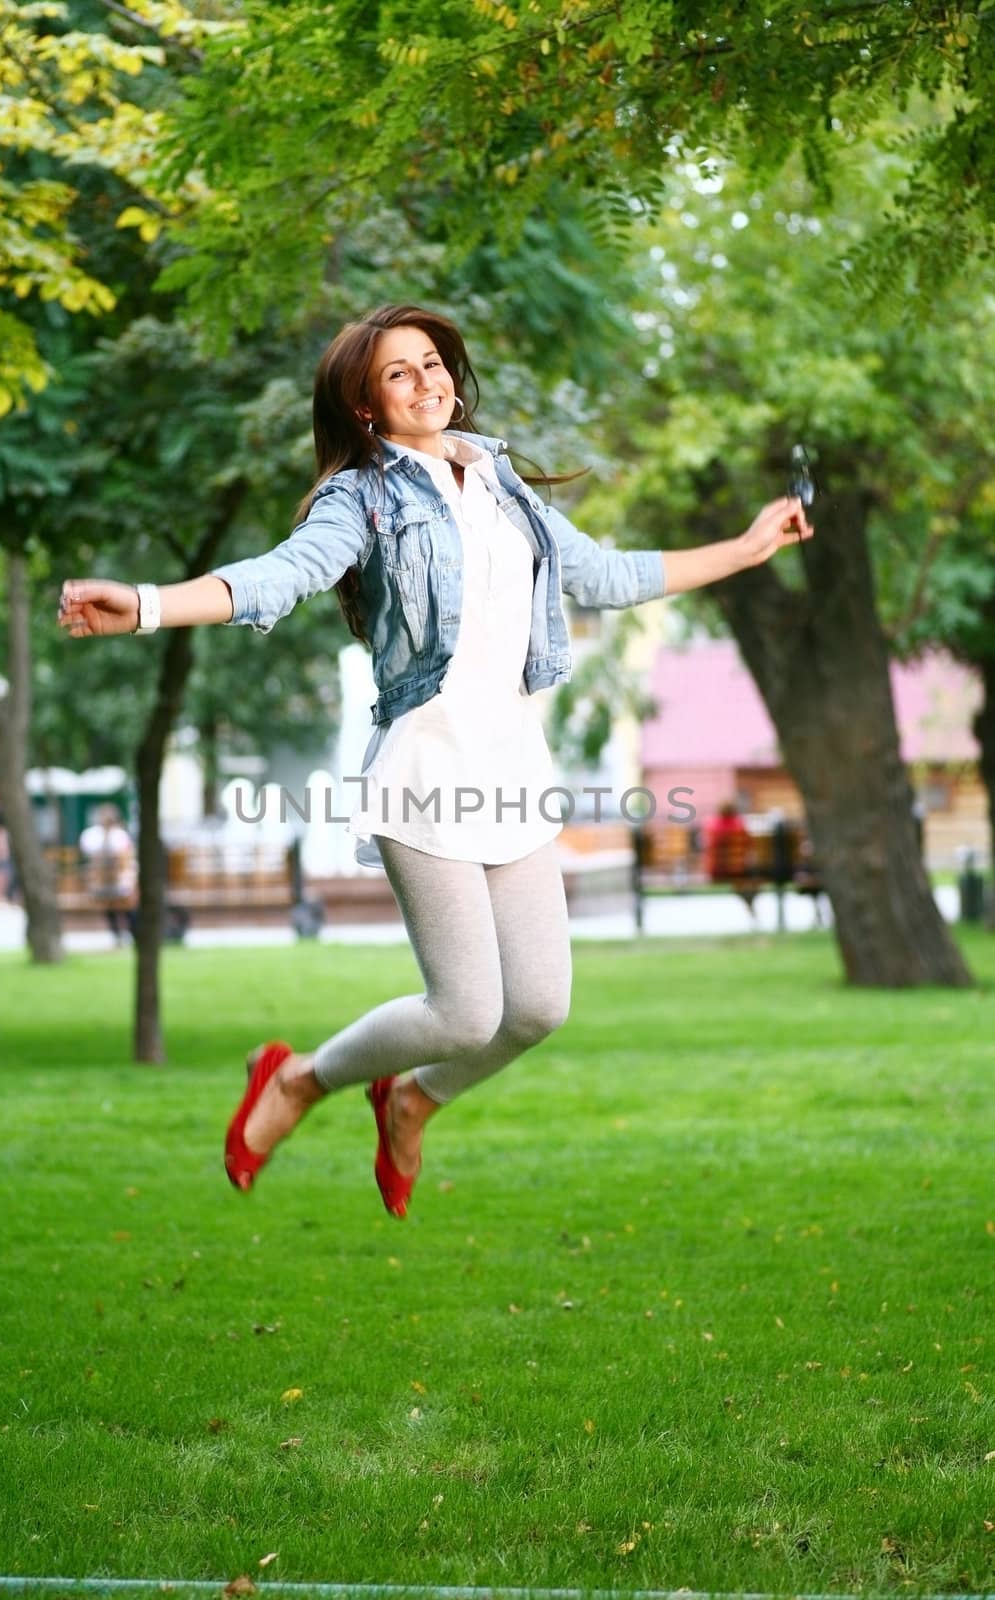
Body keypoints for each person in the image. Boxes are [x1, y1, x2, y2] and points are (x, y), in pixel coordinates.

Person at [57, 303, 813, 1217]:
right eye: (399, 374)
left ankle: (413, 1096)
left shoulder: (500, 482)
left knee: (535, 1009)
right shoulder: (361, 496)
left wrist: (747, 545)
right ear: (367, 407)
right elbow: (280, 574)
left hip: (513, 769)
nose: (428, 384)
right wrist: (142, 604)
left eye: (433, 364)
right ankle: (297, 1081)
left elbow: (603, 576)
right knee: (462, 1012)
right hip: (426, 771)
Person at [78, 802, 137, 944]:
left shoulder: (120, 834)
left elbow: (125, 855)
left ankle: (132, 931)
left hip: (119, 880)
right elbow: (91, 854)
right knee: (110, 903)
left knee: (127, 901)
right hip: (101, 880)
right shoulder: (91, 834)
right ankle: (116, 933)